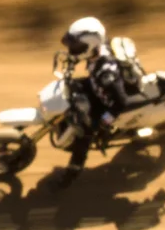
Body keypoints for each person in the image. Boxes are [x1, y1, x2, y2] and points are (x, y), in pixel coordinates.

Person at [55, 16, 132, 170]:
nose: (72, 49)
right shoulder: (97, 49)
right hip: (96, 85)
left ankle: (73, 169)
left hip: (107, 102)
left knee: (85, 131)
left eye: (76, 46)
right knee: (71, 89)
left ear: (89, 47)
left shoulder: (106, 74)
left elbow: (121, 102)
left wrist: (104, 122)